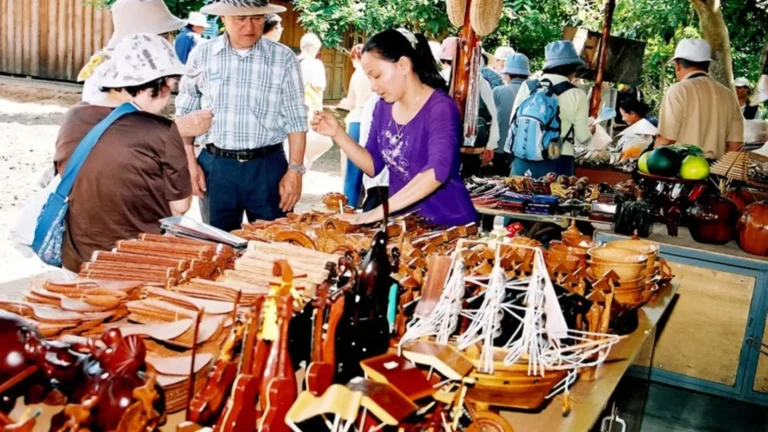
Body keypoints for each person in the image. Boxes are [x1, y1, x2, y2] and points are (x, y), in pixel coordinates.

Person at [311, 29, 477, 227]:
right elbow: (373, 165)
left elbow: (436, 172)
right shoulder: (382, 106)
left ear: (403, 65)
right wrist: (338, 134)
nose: (373, 86)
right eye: (369, 78)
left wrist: (375, 213)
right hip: (407, 225)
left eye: (377, 75)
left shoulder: (440, 107)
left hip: (449, 225)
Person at [55, 34, 191, 273]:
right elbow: (180, 206)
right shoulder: (163, 131)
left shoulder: (73, 116)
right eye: (171, 85)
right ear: (161, 84)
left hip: (78, 261)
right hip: (137, 263)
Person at [177, 0, 307, 232]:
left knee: (274, 244)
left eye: (257, 18)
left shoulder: (283, 58)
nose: (249, 27)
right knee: (219, 245)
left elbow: (296, 117)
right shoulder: (202, 54)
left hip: (268, 168)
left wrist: (295, 170)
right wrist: (190, 164)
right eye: (239, 18)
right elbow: (185, 113)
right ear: (223, 18)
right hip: (215, 168)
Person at [78, 0, 212, 139]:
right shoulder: (121, 69)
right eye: (164, 35)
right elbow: (123, 133)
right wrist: (177, 129)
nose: (167, 41)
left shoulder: (116, 61)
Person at [509, 40, 592, 177]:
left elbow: (512, 122)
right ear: (572, 69)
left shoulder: (528, 86)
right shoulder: (577, 94)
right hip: (558, 157)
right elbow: (583, 137)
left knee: (517, 196)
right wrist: (591, 131)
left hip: (523, 156)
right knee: (556, 195)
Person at [657, 39, 743, 159]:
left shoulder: (678, 91)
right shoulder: (729, 95)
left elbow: (665, 140)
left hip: (680, 172)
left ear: (677, 65)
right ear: (707, 66)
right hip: (715, 173)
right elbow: (735, 147)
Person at [439, 37, 500, 178]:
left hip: (444, 147)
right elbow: (492, 115)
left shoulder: (439, 79)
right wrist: (491, 145)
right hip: (473, 147)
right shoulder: (480, 81)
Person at [338, 44, 373, 208]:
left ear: (354, 57)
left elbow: (351, 102)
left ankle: (349, 205)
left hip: (357, 120)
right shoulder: (373, 73)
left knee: (352, 170)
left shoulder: (358, 74)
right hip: (371, 120)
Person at [492, 53, 530, 176]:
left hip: (500, 148)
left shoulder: (498, 91)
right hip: (525, 152)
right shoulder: (535, 93)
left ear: (507, 75)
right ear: (527, 75)